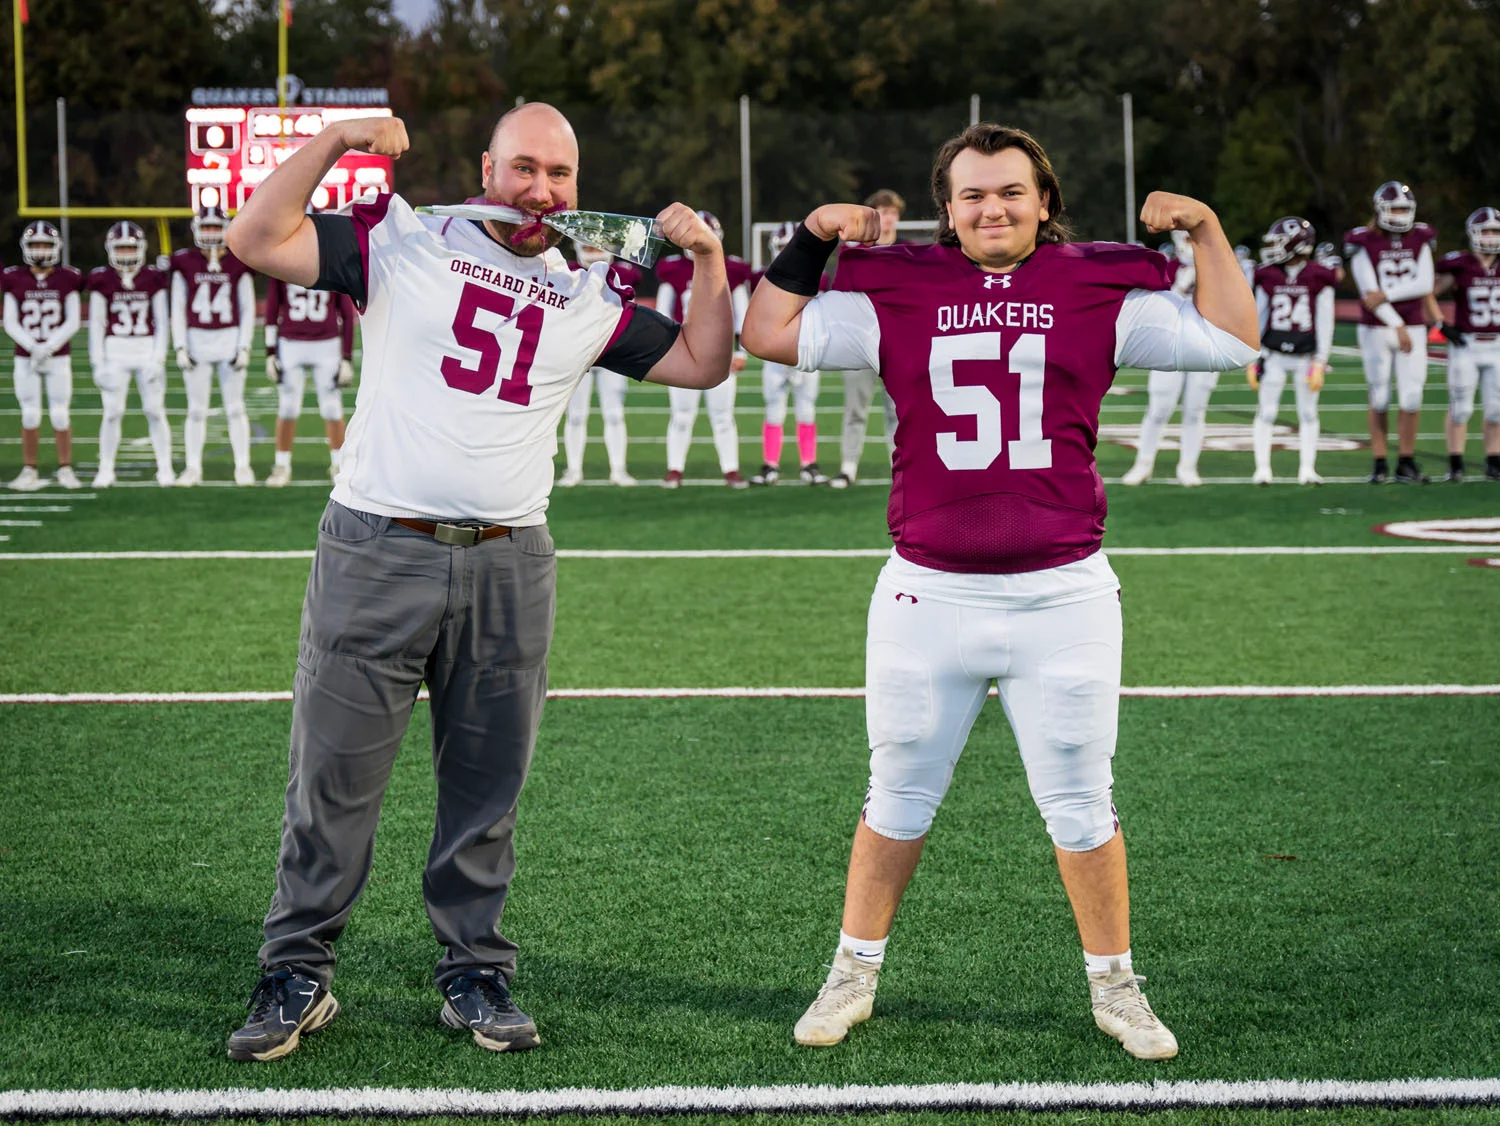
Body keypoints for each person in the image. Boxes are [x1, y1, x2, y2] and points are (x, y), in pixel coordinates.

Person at [221, 103, 731, 1062]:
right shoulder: (403, 242)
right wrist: (333, 144)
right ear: (486, 167)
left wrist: (706, 261)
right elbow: (255, 236)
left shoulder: (588, 289)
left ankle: (472, 971)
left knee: (487, 787)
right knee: (331, 777)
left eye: (562, 176)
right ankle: (297, 968)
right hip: (379, 544)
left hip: (510, 558)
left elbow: (705, 362)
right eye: (525, 168)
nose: (543, 191)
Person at [741, 123, 1258, 1061]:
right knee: (895, 792)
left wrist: (1207, 230)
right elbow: (767, 330)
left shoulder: (1096, 287)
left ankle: (1118, 986)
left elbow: (1230, 340)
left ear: (1045, 201)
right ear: (947, 209)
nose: (993, 209)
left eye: (1012, 192)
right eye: (974, 195)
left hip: (1062, 594)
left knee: (1081, 801)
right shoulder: (898, 288)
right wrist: (814, 235)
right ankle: (853, 970)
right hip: (927, 592)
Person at [1344, 181, 1437, 483]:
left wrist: (1386, 295)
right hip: (1377, 327)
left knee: (1411, 397)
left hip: (1413, 326)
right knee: (1380, 396)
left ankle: (1406, 462)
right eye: (1394, 208)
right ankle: (1380, 461)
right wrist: (1395, 322)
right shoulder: (1362, 240)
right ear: (1380, 210)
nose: (1399, 214)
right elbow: (1367, 293)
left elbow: (1424, 284)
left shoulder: (1421, 237)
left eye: (1404, 209)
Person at [1119, 231, 1223, 487]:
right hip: (1170, 345)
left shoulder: (1216, 268)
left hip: (1204, 346)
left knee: (1195, 410)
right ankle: (1144, 463)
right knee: (1158, 409)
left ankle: (1188, 466)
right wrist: (1178, 288)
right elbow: (1156, 307)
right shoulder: (1167, 266)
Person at [657, 211, 752, 487]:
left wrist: (739, 351)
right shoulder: (673, 270)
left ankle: (730, 468)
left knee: (723, 416)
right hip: (683, 350)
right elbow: (663, 315)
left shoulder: (729, 270)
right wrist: (667, 351)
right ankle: (675, 468)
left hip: (719, 351)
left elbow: (741, 315)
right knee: (681, 415)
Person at [171, 205, 258, 486]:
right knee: (196, 409)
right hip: (197, 339)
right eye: (206, 227)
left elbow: (247, 308)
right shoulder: (184, 262)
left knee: (235, 407)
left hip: (229, 338)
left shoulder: (238, 261)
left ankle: (242, 466)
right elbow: (177, 307)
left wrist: (244, 346)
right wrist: (180, 346)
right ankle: (193, 468)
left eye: (215, 227)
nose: (210, 233)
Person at [1247, 216, 1338, 485]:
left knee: (1308, 414)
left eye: (1279, 242)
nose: (1274, 248)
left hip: (1305, 356)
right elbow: (1258, 317)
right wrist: (1255, 356)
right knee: (1267, 412)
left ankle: (1307, 469)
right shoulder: (1268, 275)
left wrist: (1321, 360)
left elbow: (1325, 320)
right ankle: (1262, 468)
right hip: (1273, 355)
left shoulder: (1318, 276)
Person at [85, 222, 176, 487]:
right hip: (116, 349)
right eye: (120, 248)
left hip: (145, 347)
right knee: (112, 412)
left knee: (155, 410)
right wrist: (97, 363)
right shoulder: (102, 279)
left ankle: (165, 467)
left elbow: (161, 321)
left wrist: (158, 358)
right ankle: (106, 468)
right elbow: (96, 325)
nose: (125, 253)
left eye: (130, 247)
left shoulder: (152, 277)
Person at [2, 221, 84, 490]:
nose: (40, 249)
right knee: (30, 415)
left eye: (45, 244)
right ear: (26, 248)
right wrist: (32, 346)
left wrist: (48, 346)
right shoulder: (14, 278)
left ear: (55, 248)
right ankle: (29, 470)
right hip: (26, 357)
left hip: (57, 356)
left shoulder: (68, 278)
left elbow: (72, 321)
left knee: (60, 414)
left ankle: (65, 468)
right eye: (35, 244)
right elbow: (10, 321)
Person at [829, 189, 903, 488]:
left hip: (898, 345)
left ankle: (900, 469)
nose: (888, 218)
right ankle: (848, 467)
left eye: (893, 212)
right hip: (860, 343)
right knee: (855, 409)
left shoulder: (909, 253)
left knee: (900, 413)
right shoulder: (854, 254)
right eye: (883, 211)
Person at [750, 221, 830, 486]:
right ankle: (770, 464)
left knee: (806, 410)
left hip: (807, 351)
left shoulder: (819, 278)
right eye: (783, 248)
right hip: (776, 353)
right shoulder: (764, 278)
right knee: (774, 410)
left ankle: (809, 464)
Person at [557, 240, 642, 486]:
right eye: (589, 248)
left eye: (598, 248)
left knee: (614, 414)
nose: (594, 254)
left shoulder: (623, 273)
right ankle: (574, 470)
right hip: (579, 353)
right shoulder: (566, 270)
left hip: (612, 351)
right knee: (575, 416)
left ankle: (618, 469)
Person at [263, 271, 357, 486]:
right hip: (291, 343)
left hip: (327, 344)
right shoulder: (282, 266)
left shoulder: (330, 264)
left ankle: (338, 464)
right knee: (287, 407)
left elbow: (346, 312)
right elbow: (272, 308)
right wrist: (270, 351)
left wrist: (346, 356)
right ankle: (282, 465)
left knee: (332, 408)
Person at [1433, 206, 1500, 482]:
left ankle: (1494, 460)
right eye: (1486, 230)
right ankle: (1456, 461)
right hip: (1467, 344)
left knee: (1497, 408)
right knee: (1461, 407)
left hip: (1498, 344)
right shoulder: (1459, 264)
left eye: (1495, 230)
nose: (1491, 236)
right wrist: (1440, 324)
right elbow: (1428, 291)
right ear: (1473, 233)